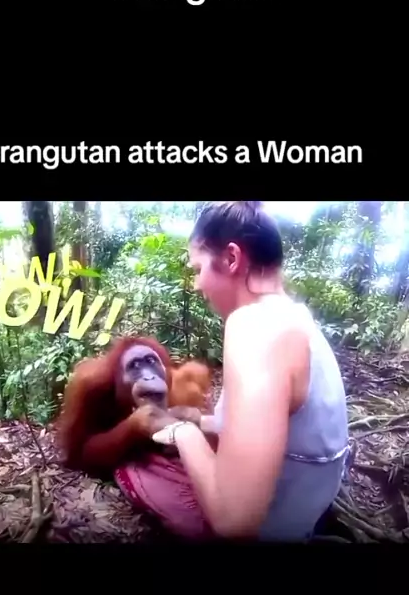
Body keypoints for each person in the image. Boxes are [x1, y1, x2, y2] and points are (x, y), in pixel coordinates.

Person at [114, 201, 349, 541]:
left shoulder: (253, 324)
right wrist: (202, 421)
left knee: (136, 471)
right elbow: (279, 428)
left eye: (198, 269)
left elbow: (234, 521)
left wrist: (183, 432)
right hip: (302, 514)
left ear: (231, 259)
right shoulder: (294, 316)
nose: (197, 285)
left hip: (269, 530)